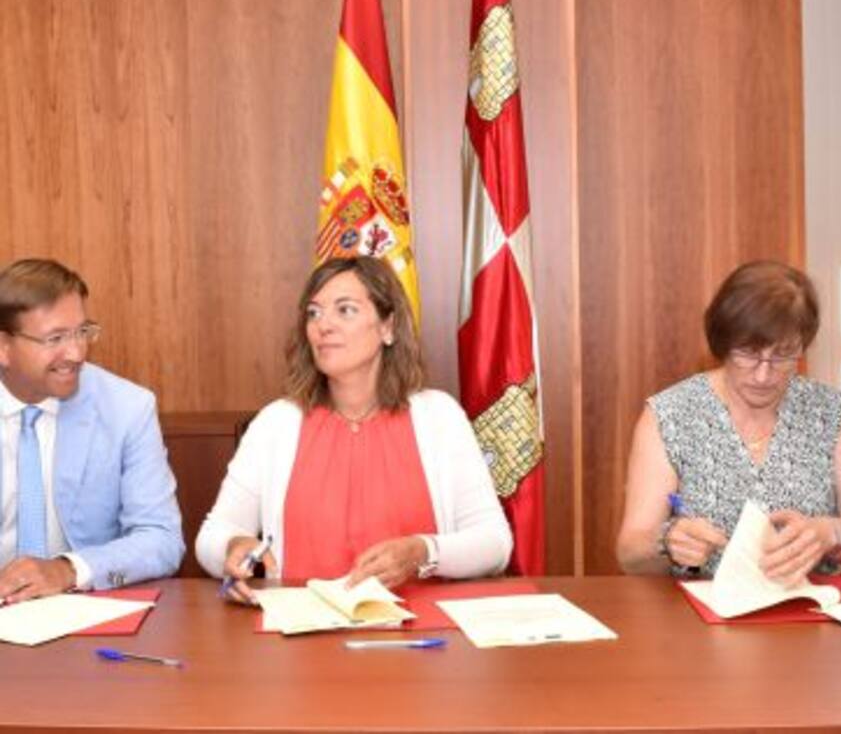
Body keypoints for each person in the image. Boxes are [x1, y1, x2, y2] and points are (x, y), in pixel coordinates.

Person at [196, 256, 511, 601]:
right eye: (314, 313)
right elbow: (213, 534)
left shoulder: (439, 417)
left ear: (388, 327)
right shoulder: (276, 423)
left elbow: (495, 544)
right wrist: (233, 546)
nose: (323, 325)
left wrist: (423, 551)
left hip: (421, 628)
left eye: (345, 310)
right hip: (300, 629)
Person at [617, 260, 841, 579]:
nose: (763, 375)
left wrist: (832, 532)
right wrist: (667, 542)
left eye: (783, 355)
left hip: (810, 603)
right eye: (747, 353)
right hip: (701, 606)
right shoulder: (670, 414)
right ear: (723, 343)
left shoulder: (828, 411)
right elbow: (631, 552)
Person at [0, 259, 184, 601]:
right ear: (3, 347)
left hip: (84, 610)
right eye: (55, 338)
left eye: (82, 332)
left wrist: (68, 570)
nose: (77, 352)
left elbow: (162, 540)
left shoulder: (127, 408)